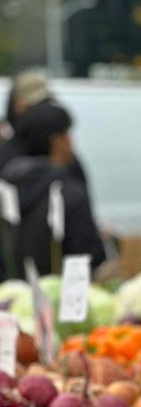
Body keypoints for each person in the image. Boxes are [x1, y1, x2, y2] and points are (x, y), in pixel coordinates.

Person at [0, 101, 105, 278]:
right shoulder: (70, 194)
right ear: (56, 141)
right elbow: (90, 257)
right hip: (59, 298)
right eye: (68, 135)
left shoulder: (6, 186)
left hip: (8, 299)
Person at [0, 70, 51, 177]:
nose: (43, 112)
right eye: (36, 106)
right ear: (17, 105)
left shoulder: (58, 151)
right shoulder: (7, 155)